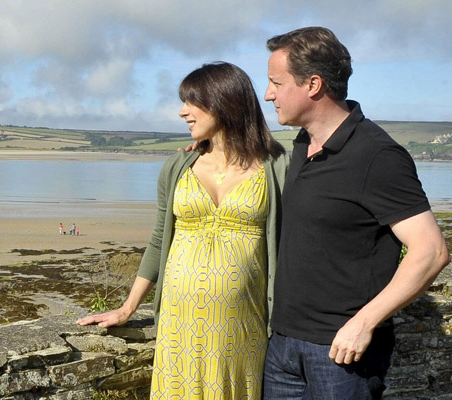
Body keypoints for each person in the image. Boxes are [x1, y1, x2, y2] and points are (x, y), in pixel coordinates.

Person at [77, 62, 288, 399]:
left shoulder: (277, 167)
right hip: (179, 323)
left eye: (192, 103)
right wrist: (128, 307)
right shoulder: (177, 167)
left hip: (243, 324)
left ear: (224, 102)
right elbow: (160, 239)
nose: (182, 112)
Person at [260, 27, 449, 399]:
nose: (268, 94)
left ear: (313, 84)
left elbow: (430, 252)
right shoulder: (302, 144)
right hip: (282, 346)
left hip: (342, 356)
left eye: (276, 83)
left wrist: (364, 323)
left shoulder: (377, 155)